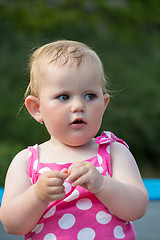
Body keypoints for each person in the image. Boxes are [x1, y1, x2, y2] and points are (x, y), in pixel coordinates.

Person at [1, 40, 148, 240]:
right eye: (64, 97)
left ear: (103, 105)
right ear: (37, 109)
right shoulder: (26, 161)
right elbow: (12, 225)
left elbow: (137, 208)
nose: (78, 105)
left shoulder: (113, 152)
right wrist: (37, 195)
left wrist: (102, 184)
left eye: (90, 96)